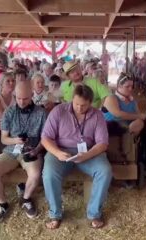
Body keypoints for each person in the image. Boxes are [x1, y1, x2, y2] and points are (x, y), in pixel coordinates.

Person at [41, 85, 112, 229]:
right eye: (76, 104)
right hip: (61, 151)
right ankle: (55, 213)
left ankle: (94, 213)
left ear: (91, 102)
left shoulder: (97, 115)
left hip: (88, 152)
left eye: (84, 105)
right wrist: (57, 153)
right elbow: (46, 138)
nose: (79, 108)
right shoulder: (58, 111)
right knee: (48, 173)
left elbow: (103, 143)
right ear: (71, 99)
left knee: (105, 171)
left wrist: (87, 155)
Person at [0, 81, 47, 223]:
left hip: (32, 150)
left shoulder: (41, 113)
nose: (21, 101)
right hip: (11, 150)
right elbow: (3, 139)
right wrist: (16, 140)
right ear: (15, 95)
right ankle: (3, 203)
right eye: (18, 98)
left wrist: (36, 150)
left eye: (25, 98)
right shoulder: (9, 112)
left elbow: (45, 138)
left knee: (35, 174)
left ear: (32, 95)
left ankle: (26, 199)